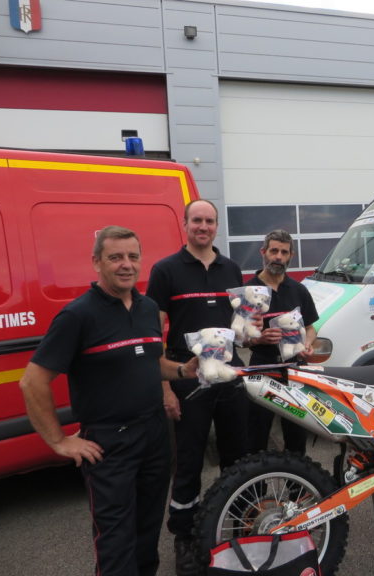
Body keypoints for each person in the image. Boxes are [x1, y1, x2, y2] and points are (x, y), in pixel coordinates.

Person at [19, 225, 198, 576]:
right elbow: (32, 382)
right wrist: (58, 441)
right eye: (115, 257)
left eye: (132, 256)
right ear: (96, 262)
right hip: (109, 444)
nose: (126, 264)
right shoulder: (78, 315)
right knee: (115, 542)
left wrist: (182, 371)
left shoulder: (148, 308)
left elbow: (151, 361)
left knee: (147, 534)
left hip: (155, 434)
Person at [146, 199, 252, 576]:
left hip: (228, 372)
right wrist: (165, 388)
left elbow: (241, 325)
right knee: (189, 460)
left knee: (237, 455)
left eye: (209, 221)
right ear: (185, 224)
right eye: (197, 221)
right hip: (187, 375)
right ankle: (185, 537)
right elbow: (153, 333)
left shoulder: (231, 268)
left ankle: (236, 523)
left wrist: (255, 331)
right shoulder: (165, 270)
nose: (203, 227)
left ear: (216, 226)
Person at [245, 229, 319, 455]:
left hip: (295, 371)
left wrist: (307, 344)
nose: (278, 257)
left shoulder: (298, 290)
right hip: (263, 369)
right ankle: (259, 477)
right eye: (274, 251)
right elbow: (239, 338)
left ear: (290, 256)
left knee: (296, 437)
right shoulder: (249, 292)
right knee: (257, 435)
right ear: (263, 252)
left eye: (284, 252)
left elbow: (310, 328)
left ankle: (296, 478)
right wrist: (258, 338)